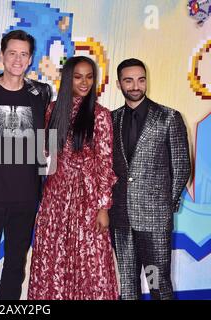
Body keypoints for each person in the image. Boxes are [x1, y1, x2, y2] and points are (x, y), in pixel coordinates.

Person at [0, 29, 52, 300]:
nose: (17, 59)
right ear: (2, 55)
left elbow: (48, 136)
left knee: (16, 265)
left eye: (24, 54)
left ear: (30, 59)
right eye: (12, 53)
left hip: (26, 197)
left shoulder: (41, 92)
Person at [27, 56, 118, 300]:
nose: (84, 82)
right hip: (55, 197)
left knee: (90, 262)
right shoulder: (52, 110)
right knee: (54, 259)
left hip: (87, 199)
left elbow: (105, 163)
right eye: (78, 76)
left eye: (89, 77)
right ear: (68, 79)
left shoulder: (101, 115)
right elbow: (44, 152)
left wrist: (103, 207)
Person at [110, 58, 191, 300]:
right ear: (119, 84)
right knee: (127, 285)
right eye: (129, 80)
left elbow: (181, 166)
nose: (136, 86)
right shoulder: (111, 120)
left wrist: (165, 205)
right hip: (121, 219)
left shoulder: (168, 117)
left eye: (141, 79)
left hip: (154, 222)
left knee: (157, 283)